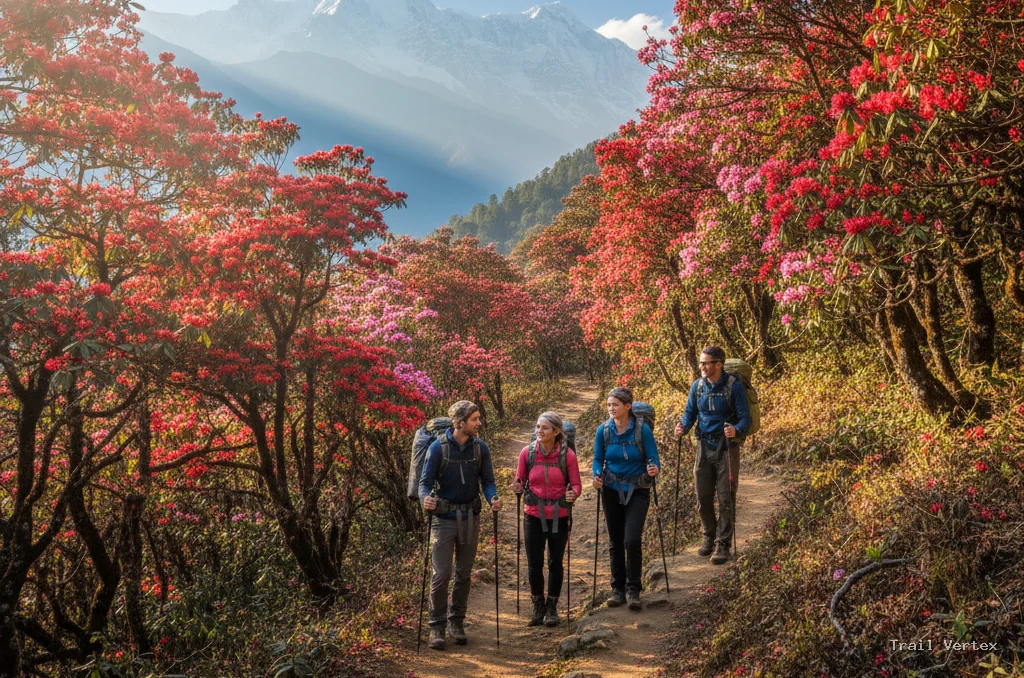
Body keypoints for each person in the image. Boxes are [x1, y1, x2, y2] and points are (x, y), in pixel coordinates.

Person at [419, 400, 501, 651]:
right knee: (441, 574)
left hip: (470, 518)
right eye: (475, 419)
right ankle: (436, 627)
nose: (479, 423)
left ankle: (457, 623)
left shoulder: (480, 449)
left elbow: (487, 480)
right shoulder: (437, 449)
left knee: (463, 574)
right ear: (460, 422)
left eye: (478, 418)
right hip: (443, 520)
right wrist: (426, 498)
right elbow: (424, 483)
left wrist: (492, 498)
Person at [674, 346, 751, 565]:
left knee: (726, 497)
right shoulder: (697, 387)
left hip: (727, 447)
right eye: (700, 363)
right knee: (703, 496)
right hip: (703, 445)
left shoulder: (733, 387)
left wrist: (735, 429)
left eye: (706, 363)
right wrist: (683, 427)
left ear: (719, 364)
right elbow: (690, 413)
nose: (702, 367)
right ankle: (708, 536)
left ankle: (722, 544)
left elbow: (746, 418)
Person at [510, 412, 582, 627]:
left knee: (555, 562)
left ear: (556, 432)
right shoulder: (527, 453)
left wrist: (573, 494)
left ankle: (552, 606)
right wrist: (517, 487)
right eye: (537, 427)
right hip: (533, 513)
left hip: (560, 515)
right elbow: (519, 480)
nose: (538, 431)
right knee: (534, 563)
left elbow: (577, 484)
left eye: (544, 428)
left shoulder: (567, 455)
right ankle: (537, 604)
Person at [592, 386, 660, 611]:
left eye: (615, 405)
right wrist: (596, 475)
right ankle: (617, 590)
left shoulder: (642, 431)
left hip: (638, 489)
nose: (611, 409)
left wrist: (653, 468)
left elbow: (652, 457)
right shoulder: (603, 430)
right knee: (615, 541)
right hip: (611, 489)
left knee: (631, 539)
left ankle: (633, 590)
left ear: (627, 407)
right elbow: (598, 458)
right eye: (609, 405)